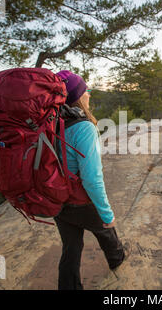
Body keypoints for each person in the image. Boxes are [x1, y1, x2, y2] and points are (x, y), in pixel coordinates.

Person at [54, 70, 126, 290]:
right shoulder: (83, 127)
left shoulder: (51, 123)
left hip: (57, 198)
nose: (89, 95)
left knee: (71, 248)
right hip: (80, 200)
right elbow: (92, 179)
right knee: (107, 233)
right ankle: (120, 265)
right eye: (86, 91)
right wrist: (107, 214)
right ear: (77, 96)